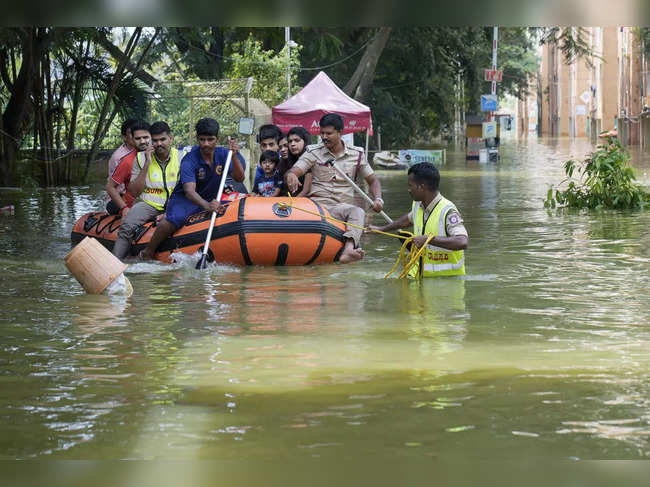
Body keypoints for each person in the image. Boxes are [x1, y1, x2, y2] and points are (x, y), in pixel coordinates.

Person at [139, 118, 245, 261]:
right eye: (202, 139)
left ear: (217, 139)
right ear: (197, 139)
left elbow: (240, 178)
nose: (206, 144)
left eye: (210, 139)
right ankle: (148, 251)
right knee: (173, 220)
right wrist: (207, 206)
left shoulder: (225, 154)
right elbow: (189, 192)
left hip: (211, 197)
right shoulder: (189, 160)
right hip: (186, 200)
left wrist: (234, 157)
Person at [285, 113, 384, 264]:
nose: (324, 137)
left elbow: (373, 180)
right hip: (318, 207)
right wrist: (291, 175)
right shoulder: (313, 151)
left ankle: (348, 250)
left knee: (357, 211)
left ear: (340, 133)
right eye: (322, 133)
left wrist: (378, 198)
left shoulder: (357, 154)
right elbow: (296, 170)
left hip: (342, 209)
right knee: (356, 211)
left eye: (329, 133)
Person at [369, 162, 468, 277]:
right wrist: (381, 229)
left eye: (410, 185)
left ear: (421, 187)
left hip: (446, 282)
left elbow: (462, 242)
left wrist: (428, 240)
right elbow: (407, 220)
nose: (408, 190)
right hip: (417, 276)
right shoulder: (418, 205)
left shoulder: (448, 211)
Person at [112, 121, 186, 260]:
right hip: (149, 204)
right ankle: (115, 264)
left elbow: (188, 188)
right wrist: (147, 164)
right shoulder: (140, 159)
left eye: (163, 139)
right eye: (155, 140)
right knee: (126, 227)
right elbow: (134, 192)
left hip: (176, 203)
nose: (159, 144)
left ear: (171, 138)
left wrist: (169, 211)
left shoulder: (182, 156)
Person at [105, 120, 151, 216]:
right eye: (138, 138)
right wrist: (124, 208)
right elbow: (110, 187)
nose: (142, 141)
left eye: (145, 137)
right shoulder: (127, 161)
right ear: (132, 139)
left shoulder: (162, 154)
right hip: (136, 205)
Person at [104, 118, 137, 208]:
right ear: (124, 137)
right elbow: (116, 188)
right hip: (118, 197)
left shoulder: (143, 152)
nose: (136, 135)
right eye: (131, 133)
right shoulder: (118, 158)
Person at [277, 126, 312, 197]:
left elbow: (306, 191)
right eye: (290, 141)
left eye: (297, 140)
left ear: (305, 141)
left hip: (306, 202)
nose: (292, 144)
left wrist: (293, 204)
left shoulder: (311, 158)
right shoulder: (284, 162)